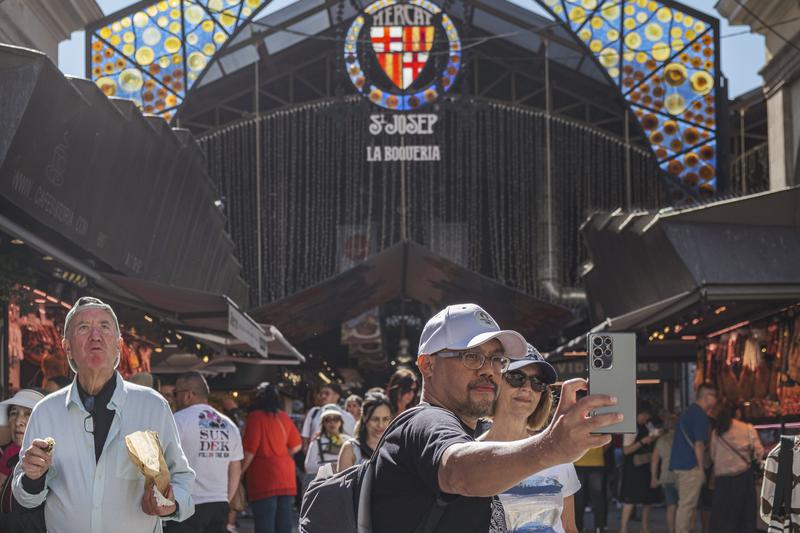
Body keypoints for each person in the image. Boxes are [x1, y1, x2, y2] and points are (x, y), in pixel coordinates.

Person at [371, 303, 621, 533]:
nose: (489, 370)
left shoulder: (457, 431)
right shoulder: (426, 422)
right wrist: (552, 447)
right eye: (471, 356)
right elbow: (458, 471)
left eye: (497, 360)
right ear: (427, 365)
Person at [12, 296, 196, 533]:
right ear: (67, 346)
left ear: (118, 345)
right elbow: (24, 496)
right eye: (83, 328)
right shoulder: (46, 411)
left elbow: (181, 477)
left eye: (104, 327)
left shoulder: (152, 406)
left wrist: (170, 503)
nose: (95, 336)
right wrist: (33, 478)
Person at [479, 343, 580, 533]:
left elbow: (570, 527)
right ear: (495, 383)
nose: (527, 388)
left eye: (538, 382)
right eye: (517, 378)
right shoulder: (470, 455)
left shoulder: (557, 452)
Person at [167, 371, 243, 533]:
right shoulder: (229, 425)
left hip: (185, 504)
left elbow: (162, 462)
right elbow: (235, 470)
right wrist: (225, 500)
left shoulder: (177, 420)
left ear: (188, 395)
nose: (174, 398)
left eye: (176, 393)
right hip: (219, 504)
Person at [242, 382, 301, 533]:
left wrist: (240, 472)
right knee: (284, 525)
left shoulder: (255, 417)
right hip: (286, 476)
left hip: (264, 477)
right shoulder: (283, 416)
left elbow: (250, 450)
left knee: (265, 525)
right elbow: (297, 445)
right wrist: (281, 455)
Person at [708, 403, 764, 533]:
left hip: (722, 481)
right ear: (737, 413)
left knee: (723, 519)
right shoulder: (748, 429)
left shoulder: (716, 432)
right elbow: (759, 452)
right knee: (745, 518)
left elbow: (713, 455)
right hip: (743, 478)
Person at [670, 384, 718, 533]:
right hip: (690, 466)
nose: (716, 399)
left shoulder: (688, 412)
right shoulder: (700, 415)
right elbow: (699, 444)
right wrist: (701, 468)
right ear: (706, 396)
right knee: (687, 506)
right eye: (714, 395)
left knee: (686, 505)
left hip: (679, 465)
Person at [0, 388, 46, 533]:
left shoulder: (54, 461)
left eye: (29, 413)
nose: (19, 421)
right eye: (14, 413)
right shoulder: (11, 452)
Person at [619, 400, 661, 533]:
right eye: (645, 415)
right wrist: (643, 442)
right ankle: (623, 528)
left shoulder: (647, 425)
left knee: (647, 499)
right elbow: (626, 450)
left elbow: (655, 435)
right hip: (633, 468)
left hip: (646, 466)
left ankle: (645, 527)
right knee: (631, 498)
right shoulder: (632, 427)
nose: (647, 418)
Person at [337, 393, 393, 471]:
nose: (380, 425)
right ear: (364, 418)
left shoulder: (395, 447)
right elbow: (342, 482)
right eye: (375, 419)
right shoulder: (350, 448)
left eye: (385, 419)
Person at [300, 382, 355, 452]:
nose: (323, 396)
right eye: (321, 394)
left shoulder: (348, 417)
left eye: (327, 393)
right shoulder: (313, 412)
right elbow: (305, 436)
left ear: (337, 395)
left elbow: (352, 440)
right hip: (316, 458)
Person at [651, 412, 678, 533]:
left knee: (671, 506)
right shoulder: (682, 438)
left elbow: (655, 460)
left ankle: (671, 530)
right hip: (682, 474)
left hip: (666, 476)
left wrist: (654, 477)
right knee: (683, 506)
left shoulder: (661, 440)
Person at [573, 445, 610, 533]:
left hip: (579, 461)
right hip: (596, 462)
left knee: (579, 497)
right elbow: (608, 441)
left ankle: (579, 527)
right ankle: (599, 527)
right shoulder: (600, 429)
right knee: (597, 497)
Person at [304, 408, 347, 476]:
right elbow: (309, 467)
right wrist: (330, 468)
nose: (332, 422)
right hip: (325, 483)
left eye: (335, 419)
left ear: (341, 422)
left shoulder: (348, 441)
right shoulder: (317, 442)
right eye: (327, 420)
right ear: (323, 423)